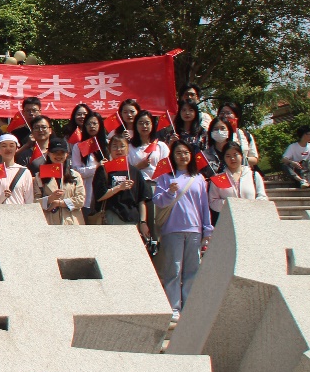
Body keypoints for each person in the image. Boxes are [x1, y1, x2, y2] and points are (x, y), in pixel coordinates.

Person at [153, 141, 213, 317]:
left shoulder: (199, 178)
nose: (182, 156)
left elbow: (204, 205)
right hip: (172, 229)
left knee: (192, 270)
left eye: (186, 152)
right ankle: (174, 307)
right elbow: (158, 201)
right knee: (174, 270)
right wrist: (169, 192)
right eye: (178, 153)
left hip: (194, 229)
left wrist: (207, 229)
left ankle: (190, 307)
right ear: (172, 156)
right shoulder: (165, 177)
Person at [93, 134, 149, 238]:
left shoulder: (135, 171)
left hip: (132, 219)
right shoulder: (104, 169)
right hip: (112, 216)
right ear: (109, 150)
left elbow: (141, 200)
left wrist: (143, 222)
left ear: (128, 149)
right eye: (114, 146)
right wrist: (119, 188)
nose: (118, 150)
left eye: (122, 146)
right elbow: (99, 196)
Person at [35, 137, 86, 226]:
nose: (58, 156)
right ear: (48, 153)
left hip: (72, 222)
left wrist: (60, 203)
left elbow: (81, 199)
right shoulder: (39, 176)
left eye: (62, 153)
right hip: (49, 222)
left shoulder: (75, 175)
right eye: (55, 152)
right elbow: (34, 202)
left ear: (67, 154)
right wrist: (50, 198)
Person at [208, 142, 267, 217]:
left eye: (235, 155)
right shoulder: (218, 178)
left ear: (241, 156)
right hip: (229, 219)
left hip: (251, 217)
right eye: (228, 156)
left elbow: (262, 197)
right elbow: (213, 202)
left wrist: (250, 206)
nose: (232, 159)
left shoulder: (254, 175)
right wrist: (232, 204)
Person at [72, 112, 108, 222]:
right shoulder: (79, 146)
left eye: (94, 123)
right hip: (88, 194)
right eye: (88, 124)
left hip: (107, 194)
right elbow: (76, 171)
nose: (91, 126)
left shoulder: (109, 144)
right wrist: (97, 168)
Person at [215, 102, 259, 168]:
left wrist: (239, 159)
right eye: (222, 113)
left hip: (244, 171)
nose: (225, 116)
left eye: (228, 113)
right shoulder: (216, 135)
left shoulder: (245, 134)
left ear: (236, 116)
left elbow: (254, 159)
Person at [128, 111, 169, 175]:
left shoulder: (161, 146)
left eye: (147, 123)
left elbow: (166, 168)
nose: (144, 126)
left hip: (157, 180)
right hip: (137, 181)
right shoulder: (129, 148)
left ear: (152, 125)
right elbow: (126, 172)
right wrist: (139, 166)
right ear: (135, 125)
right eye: (140, 123)